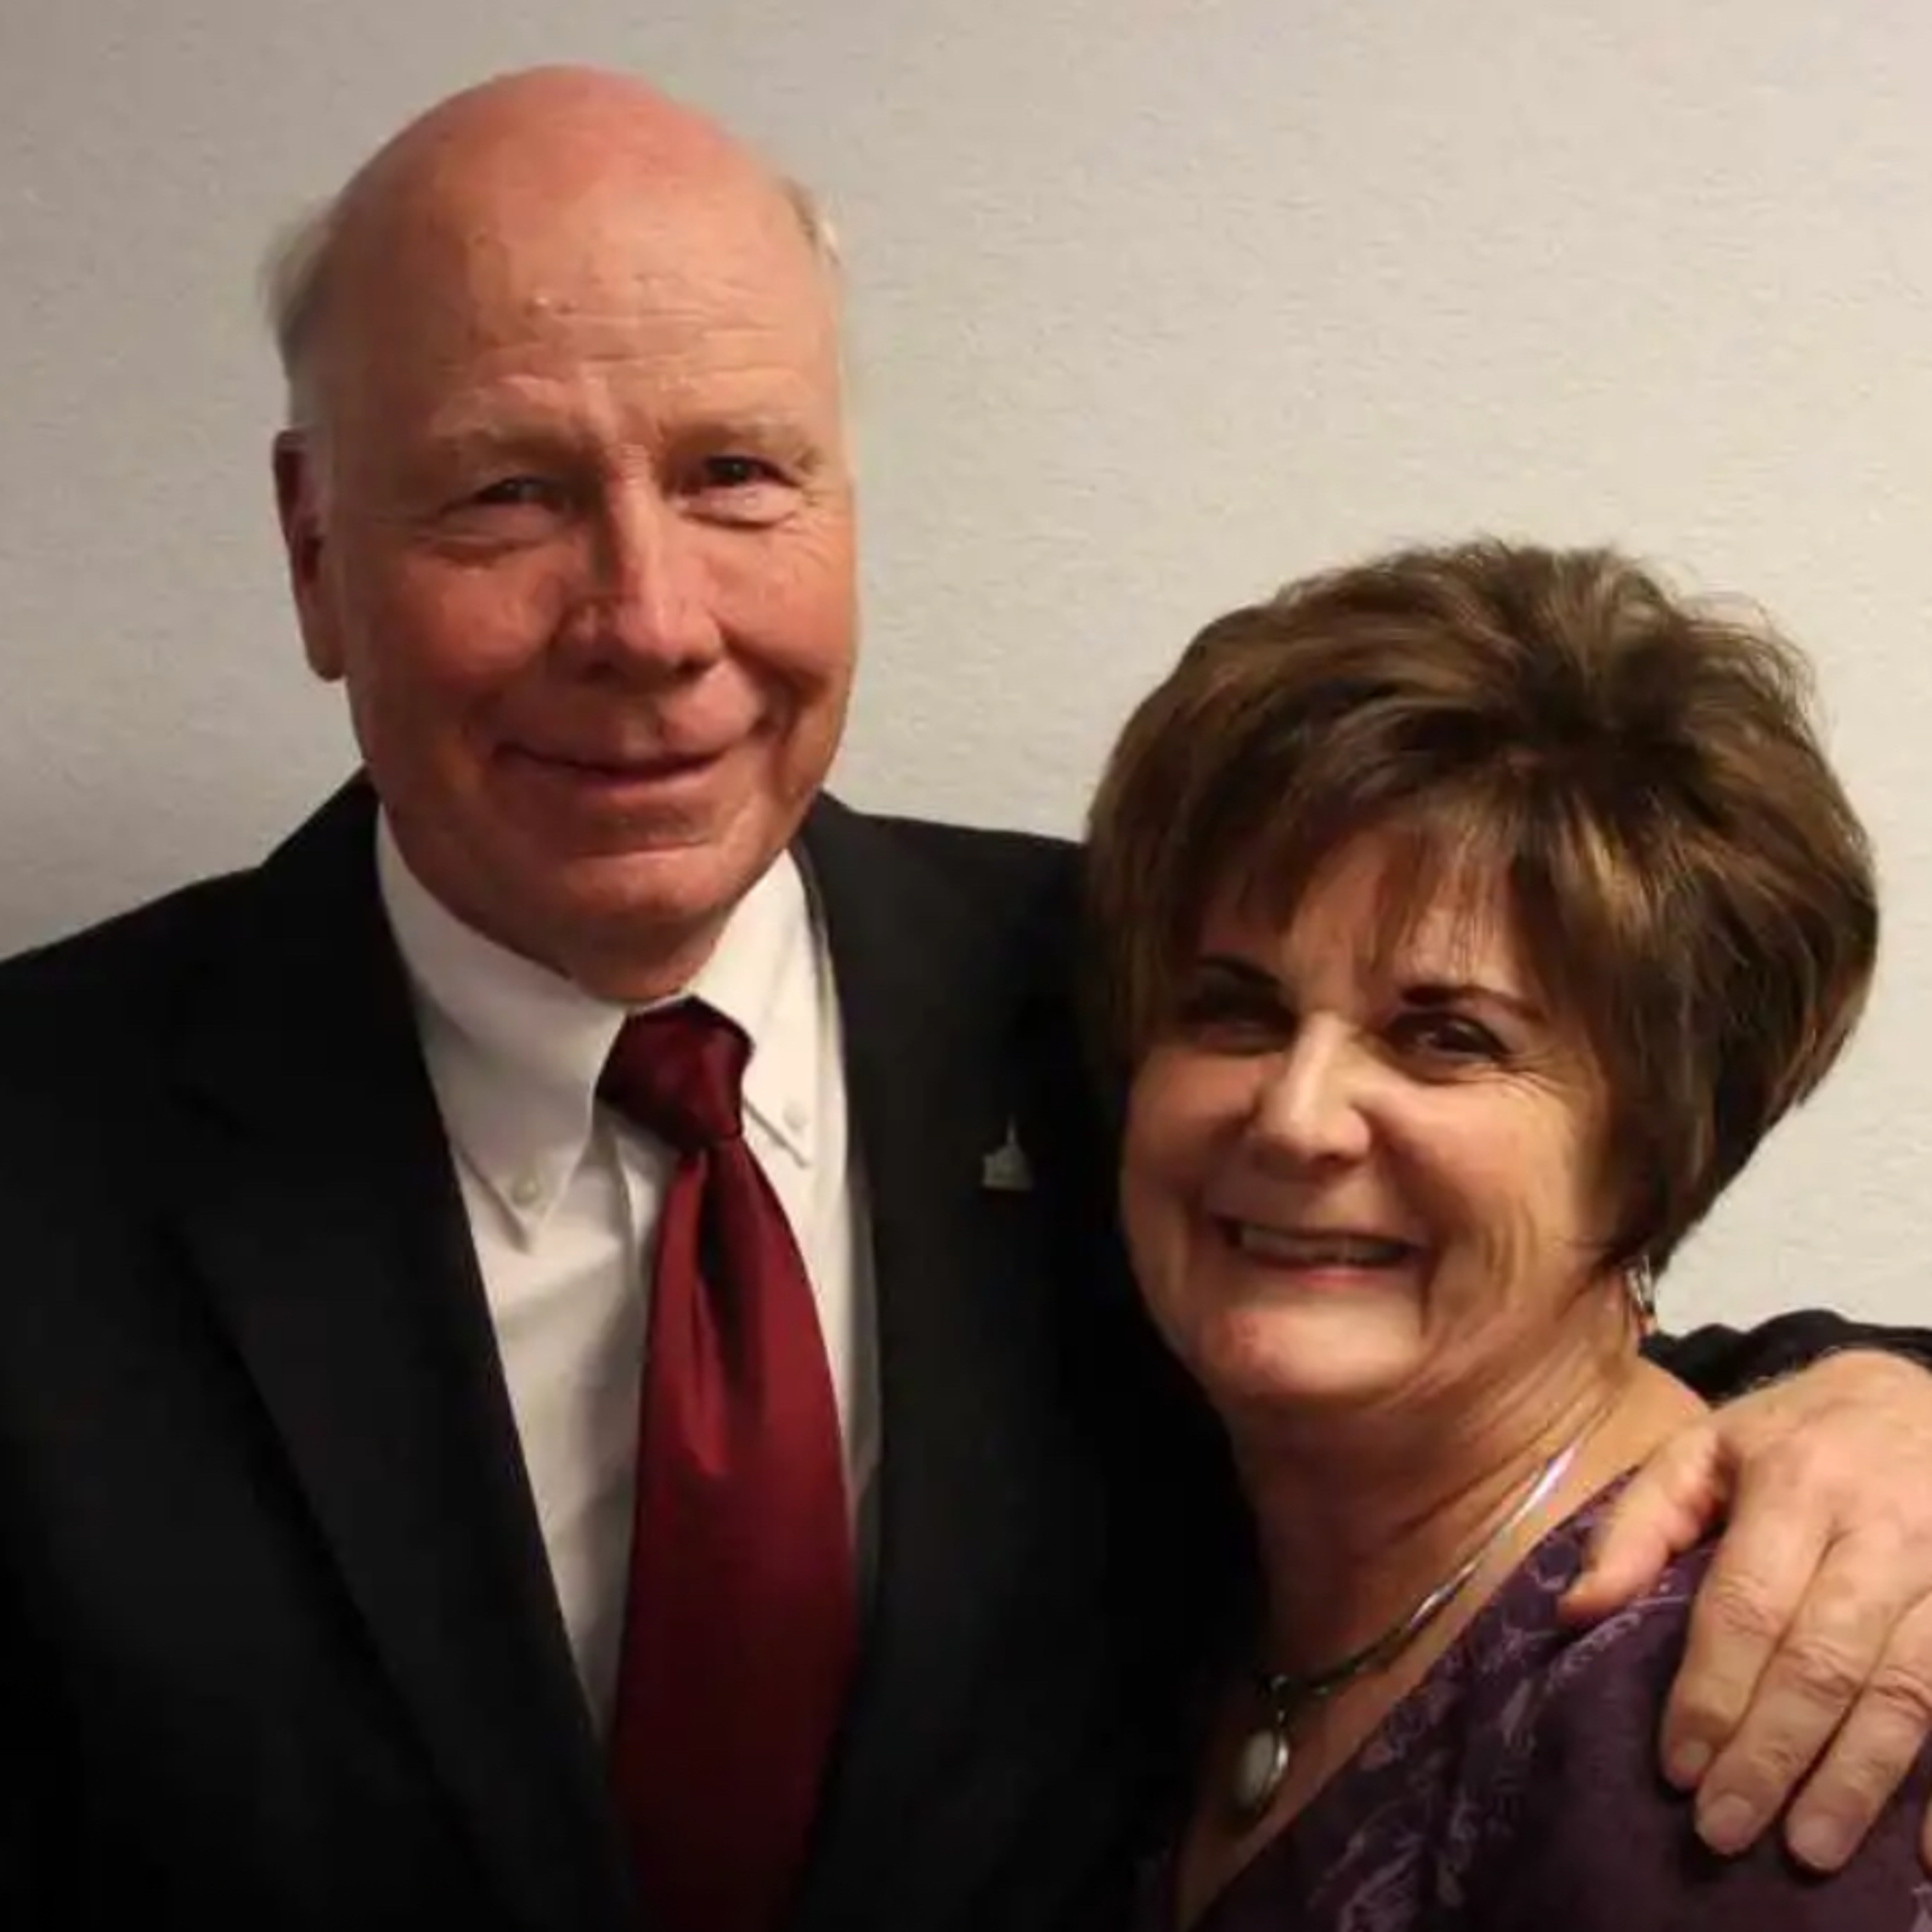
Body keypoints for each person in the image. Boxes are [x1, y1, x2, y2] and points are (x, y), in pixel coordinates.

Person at [1, 63, 1931, 1932]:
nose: (650, 622)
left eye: (736, 473)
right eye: (506, 493)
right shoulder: (43, 1142)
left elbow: (1509, 1330)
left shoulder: (1136, 1016)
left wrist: (1883, 1403)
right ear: (315, 548)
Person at [1085, 539, 1930, 1927]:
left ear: (1655, 1151)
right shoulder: (1185, 1585)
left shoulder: (1716, 1725)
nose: (1297, 1119)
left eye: (1446, 1038)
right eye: (1234, 1010)